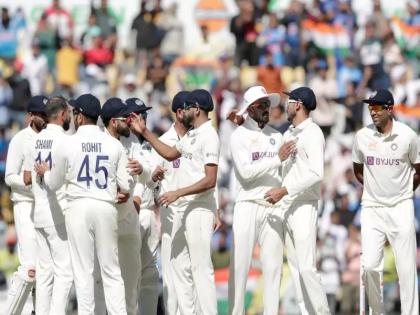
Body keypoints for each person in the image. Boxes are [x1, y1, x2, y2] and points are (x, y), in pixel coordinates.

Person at [35, 94, 134, 315]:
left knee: (83, 273)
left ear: (79, 117)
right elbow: (126, 186)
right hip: (106, 207)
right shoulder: (113, 144)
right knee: (111, 271)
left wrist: (45, 172)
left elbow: (53, 183)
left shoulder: (68, 143)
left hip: (78, 207)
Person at [130, 89, 219, 315]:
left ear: (196, 109)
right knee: (178, 270)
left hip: (198, 207)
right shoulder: (192, 136)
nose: (184, 111)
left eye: (188, 107)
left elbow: (210, 180)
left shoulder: (209, 135)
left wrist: (178, 193)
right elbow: (170, 153)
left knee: (201, 268)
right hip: (180, 210)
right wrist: (145, 131)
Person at [228, 86, 295, 315]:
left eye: (268, 104)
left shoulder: (276, 136)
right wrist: (277, 159)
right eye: (261, 105)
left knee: (274, 267)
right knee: (240, 266)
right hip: (247, 205)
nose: (267, 109)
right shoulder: (238, 137)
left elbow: (285, 170)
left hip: (272, 207)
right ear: (250, 109)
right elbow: (246, 174)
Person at [352, 89, 419, 315]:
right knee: (370, 266)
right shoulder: (362, 136)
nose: (373, 111)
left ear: (390, 109)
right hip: (372, 207)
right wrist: (375, 190)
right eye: (370, 107)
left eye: (378, 107)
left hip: (401, 207)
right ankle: (376, 311)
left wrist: (402, 193)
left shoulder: (408, 136)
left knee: (407, 269)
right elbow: (358, 170)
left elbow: (418, 170)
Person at [264, 87, 331, 314]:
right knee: (295, 269)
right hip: (287, 205)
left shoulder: (313, 133)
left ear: (299, 104)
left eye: (289, 101)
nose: (286, 104)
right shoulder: (289, 134)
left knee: (307, 268)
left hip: (304, 206)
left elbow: (316, 173)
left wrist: (284, 190)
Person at [24, 96, 73, 315]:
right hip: (57, 212)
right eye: (68, 113)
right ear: (62, 114)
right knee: (64, 271)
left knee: (45, 272)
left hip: (39, 211)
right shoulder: (65, 140)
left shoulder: (34, 139)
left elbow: (28, 176)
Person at [5, 95, 48, 315]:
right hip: (25, 205)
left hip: (46, 207)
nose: (44, 117)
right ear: (30, 116)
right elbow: (9, 176)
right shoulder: (21, 139)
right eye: (40, 114)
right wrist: (26, 179)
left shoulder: (52, 138)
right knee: (29, 269)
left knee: (45, 270)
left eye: (46, 113)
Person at [100, 97, 143, 315]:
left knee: (131, 284)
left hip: (129, 220)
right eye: (125, 118)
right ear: (114, 122)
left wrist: (141, 171)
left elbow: (144, 177)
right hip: (105, 222)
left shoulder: (133, 142)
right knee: (104, 283)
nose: (130, 121)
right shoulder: (99, 143)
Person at [152, 91, 189, 315]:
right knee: (171, 275)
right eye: (189, 108)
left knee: (193, 274)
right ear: (178, 112)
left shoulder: (198, 139)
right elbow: (154, 186)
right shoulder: (163, 143)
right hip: (170, 215)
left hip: (194, 213)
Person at [125, 97, 160, 315]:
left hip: (149, 212)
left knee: (150, 273)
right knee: (129, 273)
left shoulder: (150, 143)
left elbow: (156, 177)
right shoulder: (123, 143)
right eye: (139, 115)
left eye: (145, 114)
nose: (144, 119)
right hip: (131, 212)